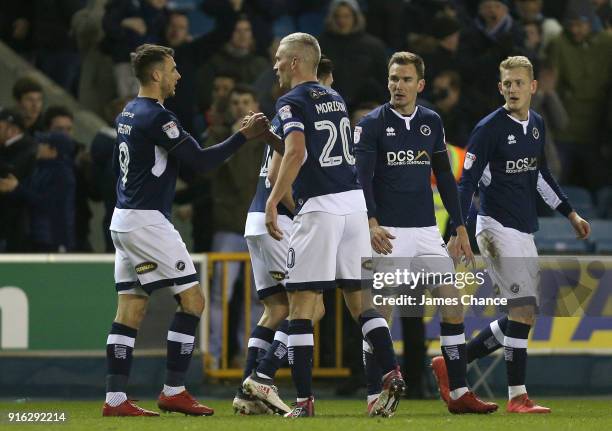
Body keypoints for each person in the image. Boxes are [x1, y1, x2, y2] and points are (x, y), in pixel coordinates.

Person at [242, 32, 404, 418]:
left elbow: (296, 151)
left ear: (296, 62)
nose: (275, 65)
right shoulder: (335, 98)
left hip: (320, 209)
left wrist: (271, 201)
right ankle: (393, 372)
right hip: (353, 206)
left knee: (302, 305)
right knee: (361, 302)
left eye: (280, 58)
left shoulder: (290, 101)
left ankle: (302, 401)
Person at [101, 43, 268, 417]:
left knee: (130, 307)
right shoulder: (158, 118)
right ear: (157, 74)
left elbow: (118, 168)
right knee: (193, 300)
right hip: (146, 221)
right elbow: (202, 161)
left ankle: (114, 400)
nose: (178, 75)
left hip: (124, 217)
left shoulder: (128, 112)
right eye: (173, 69)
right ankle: (174, 390)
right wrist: (244, 135)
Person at [435, 56, 591, 414]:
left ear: (533, 87)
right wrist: (460, 230)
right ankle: (517, 397)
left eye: (520, 83)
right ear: (500, 87)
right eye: (507, 83)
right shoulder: (488, 128)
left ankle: (453, 364)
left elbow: (540, 175)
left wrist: (570, 213)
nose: (513, 89)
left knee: (526, 313)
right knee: (521, 309)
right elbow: (467, 183)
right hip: (494, 227)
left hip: (524, 229)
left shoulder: (536, 124)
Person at [354, 51, 497, 415]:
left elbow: (447, 178)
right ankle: (374, 394)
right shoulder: (372, 124)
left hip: (427, 232)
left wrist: (461, 225)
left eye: (404, 80)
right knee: (380, 313)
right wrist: (371, 223)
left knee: (452, 307)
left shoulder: (431, 121)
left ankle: (459, 391)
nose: (397, 86)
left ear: (419, 85)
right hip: (388, 232)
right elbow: (363, 179)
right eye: (393, 79)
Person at [234, 56, 334, 415]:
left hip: (258, 220)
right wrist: (303, 209)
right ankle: (262, 377)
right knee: (311, 307)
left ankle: (247, 394)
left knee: (275, 309)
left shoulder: (286, 116)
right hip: (279, 221)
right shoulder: (302, 113)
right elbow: (279, 172)